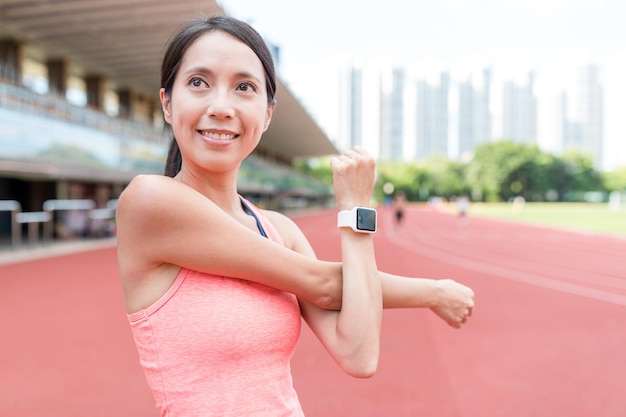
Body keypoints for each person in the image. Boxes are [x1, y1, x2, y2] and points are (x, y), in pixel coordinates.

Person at [116, 16, 474, 417]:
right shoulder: (149, 202)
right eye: (198, 82)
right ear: (167, 103)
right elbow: (322, 283)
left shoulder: (279, 231)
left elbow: (358, 353)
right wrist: (430, 291)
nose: (220, 107)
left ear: (267, 115)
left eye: (244, 87)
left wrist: (357, 216)